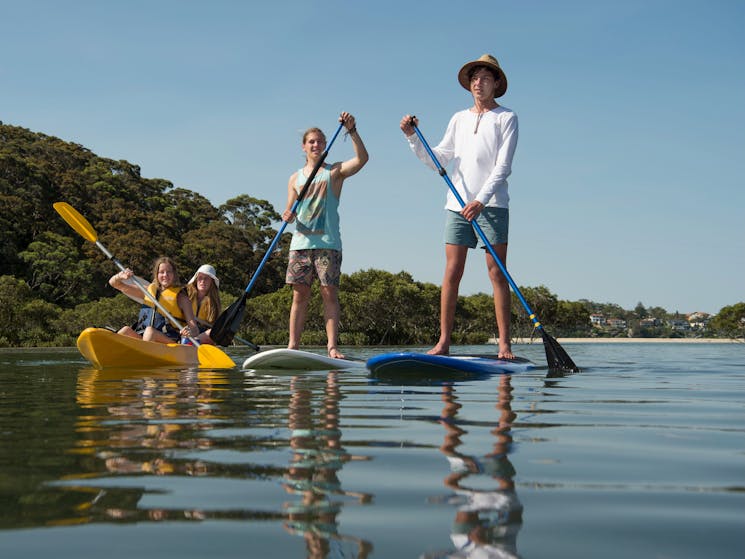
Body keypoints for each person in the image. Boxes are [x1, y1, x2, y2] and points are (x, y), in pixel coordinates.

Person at [399, 53, 518, 359]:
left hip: (491, 205)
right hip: (457, 204)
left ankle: (504, 345)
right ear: (469, 84)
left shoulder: (507, 118)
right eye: (475, 78)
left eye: (486, 78)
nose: (479, 83)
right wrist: (413, 138)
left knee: (496, 273)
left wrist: (481, 200)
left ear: (496, 84)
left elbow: (503, 167)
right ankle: (443, 343)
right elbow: (437, 158)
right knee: (452, 272)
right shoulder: (458, 118)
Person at [282, 111, 369, 359]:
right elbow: (290, 208)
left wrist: (352, 131)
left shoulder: (334, 172)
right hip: (300, 244)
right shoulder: (294, 178)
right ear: (304, 146)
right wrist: (286, 214)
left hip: (328, 244)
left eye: (320, 141)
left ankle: (332, 347)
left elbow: (362, 159)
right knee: (299, 296)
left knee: (329, 294)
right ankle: (293, 346)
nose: (316, 145)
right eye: (311, 141)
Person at [109, 256, 199, 344]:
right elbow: (115, 284)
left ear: (174, 274)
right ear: (157, 274)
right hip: (145, 339)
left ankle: (143, 355)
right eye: (162, 272)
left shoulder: (182, 298)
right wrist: (119, 277)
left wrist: (189, 331)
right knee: (125, 331)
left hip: (168, 342)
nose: (165, 275)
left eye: (169, 272)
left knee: (150, 332)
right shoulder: (148, 291)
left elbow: (195, 329)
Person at [185, 264, 222, 345]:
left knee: (213, 332)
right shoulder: (186, 295)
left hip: (204, 335)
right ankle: (189, 343)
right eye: (200, 278)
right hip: (187, 330)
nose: (202, 281)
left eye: (206, 279)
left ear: (211, 282)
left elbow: (215, 324)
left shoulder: (214, 302)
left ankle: (191, 343)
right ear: (196, 279)